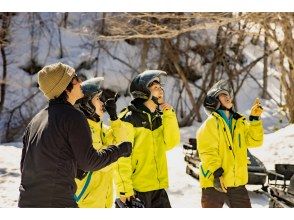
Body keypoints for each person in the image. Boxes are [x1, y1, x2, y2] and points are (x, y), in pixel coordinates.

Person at [18, 62, 132, 208]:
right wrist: (120, 149)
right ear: (66, 87)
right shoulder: (73, 116)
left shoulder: (35, 120)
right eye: (76, 78)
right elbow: (90, 162)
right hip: (56, 203)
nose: (80, 82)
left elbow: (25, 167)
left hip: (27, 202)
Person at [114, 70, 180, 208]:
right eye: (155, 88)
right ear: (143, 91)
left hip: (158, 187)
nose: (160, 90)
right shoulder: (128, 118)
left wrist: (168, 115)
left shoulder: (159, 117)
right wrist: (125, 189)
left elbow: (171, 143)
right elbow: (121, 159)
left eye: (160, 87)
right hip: (137, 191)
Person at [196, 80, 264, 208]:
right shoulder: (211, 123)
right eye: (222, 95)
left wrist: (254, 119)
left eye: (228, 95)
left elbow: (255, 141)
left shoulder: (239, 122)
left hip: (237, 183)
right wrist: (216, 174)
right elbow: (207, 151)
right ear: (213, 101)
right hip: (214, 183)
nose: (227, 97)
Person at [74, 77, 126, 208]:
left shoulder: (101, 128)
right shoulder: (83, 129)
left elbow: (121, 143)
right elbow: (104, 162)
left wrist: (114, 118)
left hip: (105, 198)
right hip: (88, 201)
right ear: (87, 104)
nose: (102, 102)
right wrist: (118, 152)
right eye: (98, 99)